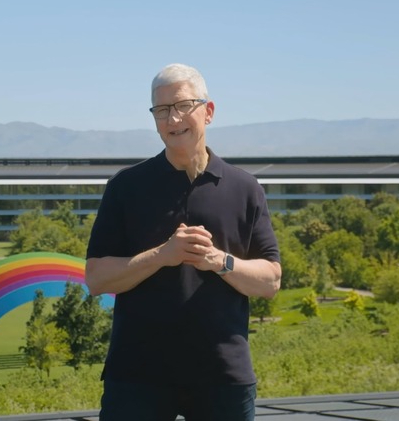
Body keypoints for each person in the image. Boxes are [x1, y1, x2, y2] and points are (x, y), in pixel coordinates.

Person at [85, 63, 282, 421]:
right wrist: (163, 255)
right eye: (161, 111)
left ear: (208, 111)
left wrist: (219, 261)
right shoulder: (126, 187)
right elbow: (97, 279)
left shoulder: (244, 188)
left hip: (224, 377)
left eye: (182, 106)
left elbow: (271, 281)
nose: (173, 120)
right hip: (136, 377)